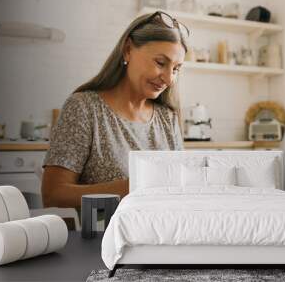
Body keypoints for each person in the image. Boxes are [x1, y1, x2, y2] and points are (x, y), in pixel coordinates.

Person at [42, 11, 189, 209]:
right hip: (102, 234)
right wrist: (133, 188)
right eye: (160, 63)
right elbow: (54, 195)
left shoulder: (167, 118)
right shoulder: (85, 108)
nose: (169, 79)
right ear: (128, 50)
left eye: (176, 69)